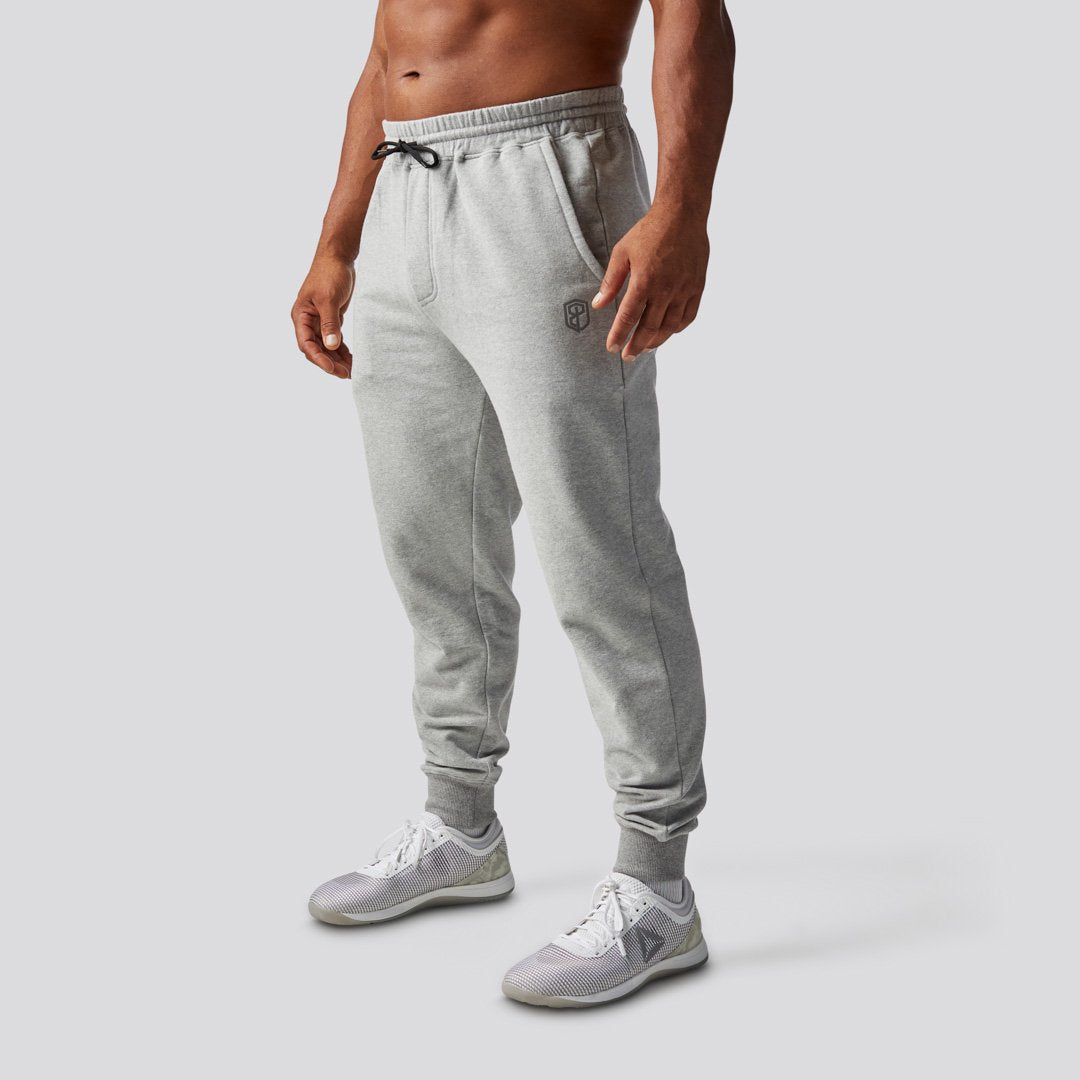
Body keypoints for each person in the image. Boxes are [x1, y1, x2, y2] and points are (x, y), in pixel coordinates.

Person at [292, 0, 735, 1007]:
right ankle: (460, 826)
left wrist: (682, 210)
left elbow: (694, 16)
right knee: (431, 542)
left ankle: (658, 884)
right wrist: (337, 240)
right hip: (404, 183)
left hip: (547, 178)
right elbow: (387, 50)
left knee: (599, 546)